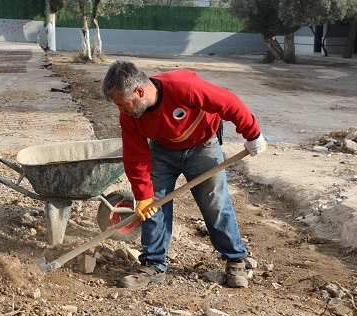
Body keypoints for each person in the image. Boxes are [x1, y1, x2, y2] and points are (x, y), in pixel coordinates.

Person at [101, 60, 267, 289]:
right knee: (153, 204)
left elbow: (229, 103)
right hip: (162, 149)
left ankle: (235, 259)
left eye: (122, 104)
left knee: (215, 202)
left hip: (202, 146)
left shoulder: (184, 87)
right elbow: (135, 155)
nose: (121, 110)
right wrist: (142, 193)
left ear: (139, 91)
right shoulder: (130, 116)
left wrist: (252, 134)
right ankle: (152, 265)